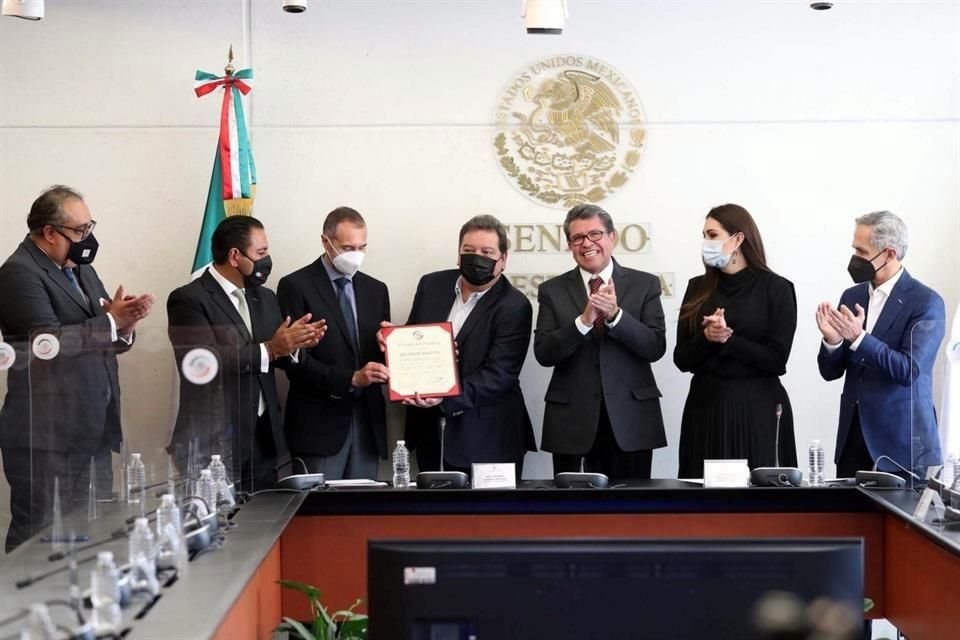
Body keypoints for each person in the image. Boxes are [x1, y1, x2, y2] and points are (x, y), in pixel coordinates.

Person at [0, 185, 155, 551]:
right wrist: (111, 322)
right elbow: (47, 345)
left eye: (90, 227)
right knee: (39, 542)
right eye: (80, 231)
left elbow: (100, 336)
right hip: (47, 439)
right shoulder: (18, 274)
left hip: (93, 431)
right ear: (50, 233)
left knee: (89, 538)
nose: (89, 239)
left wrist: (124, 327)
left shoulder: (80, 269)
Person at [167, 216, 325, 491]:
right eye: (261, 253)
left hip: (264, 439)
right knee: (220, 528)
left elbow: (276, 354)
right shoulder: (189, 299)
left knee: (262, 525)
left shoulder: (264, 297)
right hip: (214, 441)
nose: (268, 259)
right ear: (234, 256)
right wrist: (271, 348)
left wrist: (296, 345)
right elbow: (201, 363)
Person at [535, 204, 666, 480]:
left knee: (633, 513)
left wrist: (616, 316)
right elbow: (544, 354)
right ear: (570, 245)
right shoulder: (552, 290)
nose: (587, 244)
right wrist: (583, 321)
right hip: (572, 421)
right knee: (573, 515)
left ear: (612, 237)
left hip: (631, 418)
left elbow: (655, 347)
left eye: (595, 234)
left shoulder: (645, 284)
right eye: (578, 238)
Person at [398, 214, 535, 479]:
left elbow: (500, 375)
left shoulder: (514, 306)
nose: (477, 258)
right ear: (458, 254)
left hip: (489, 439)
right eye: (469, 251)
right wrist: (393, 343)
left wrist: (444, 397)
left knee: (489, 520)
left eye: (487, 252)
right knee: (431, 519)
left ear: (503, 260)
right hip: (430, 434)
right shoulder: (431, 285)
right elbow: (414, 337)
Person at [817, 210, 944, 478]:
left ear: (888, 254)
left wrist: (859, 338)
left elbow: (909, 370)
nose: (854, 259)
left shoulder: (926, 302)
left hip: (902, 448)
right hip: (853, 442)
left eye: (861, 252)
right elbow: (831, 372)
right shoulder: (852, 295)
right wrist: (832, 341)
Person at [674, 204, 798, 478]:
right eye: (704, 235)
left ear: (738, 239)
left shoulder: (776, 288)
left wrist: (729, 340)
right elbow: (681, 359)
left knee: (760, 501)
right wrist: (708, 337)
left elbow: (777, 360)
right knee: (701, 500)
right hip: (705, 407)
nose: (706, 243)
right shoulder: (697, 288)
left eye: (712, 234)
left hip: (757, 409)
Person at [277, 207, 390, 480]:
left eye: (362, 247)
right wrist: (351, 378)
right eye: (347, 247)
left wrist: (391, 349)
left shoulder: (376, 290)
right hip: (319, 423)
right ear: (325, 242)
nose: (356, 254)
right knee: (318, 514)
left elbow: (380, 357)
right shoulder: (295, 285)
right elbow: (292, 361)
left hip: (367, 422)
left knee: (362, 516)